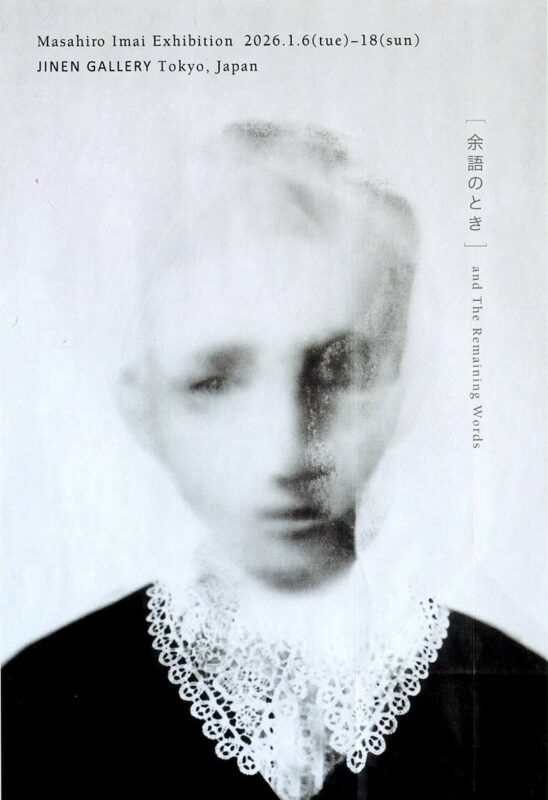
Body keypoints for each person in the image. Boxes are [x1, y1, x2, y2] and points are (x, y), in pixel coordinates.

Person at [2, 122, 546, 799]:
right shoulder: (37, 706)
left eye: (339, 370)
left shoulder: (523, 705)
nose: (287, 449)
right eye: (216, 382)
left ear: (402, 386)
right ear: (144, 407)